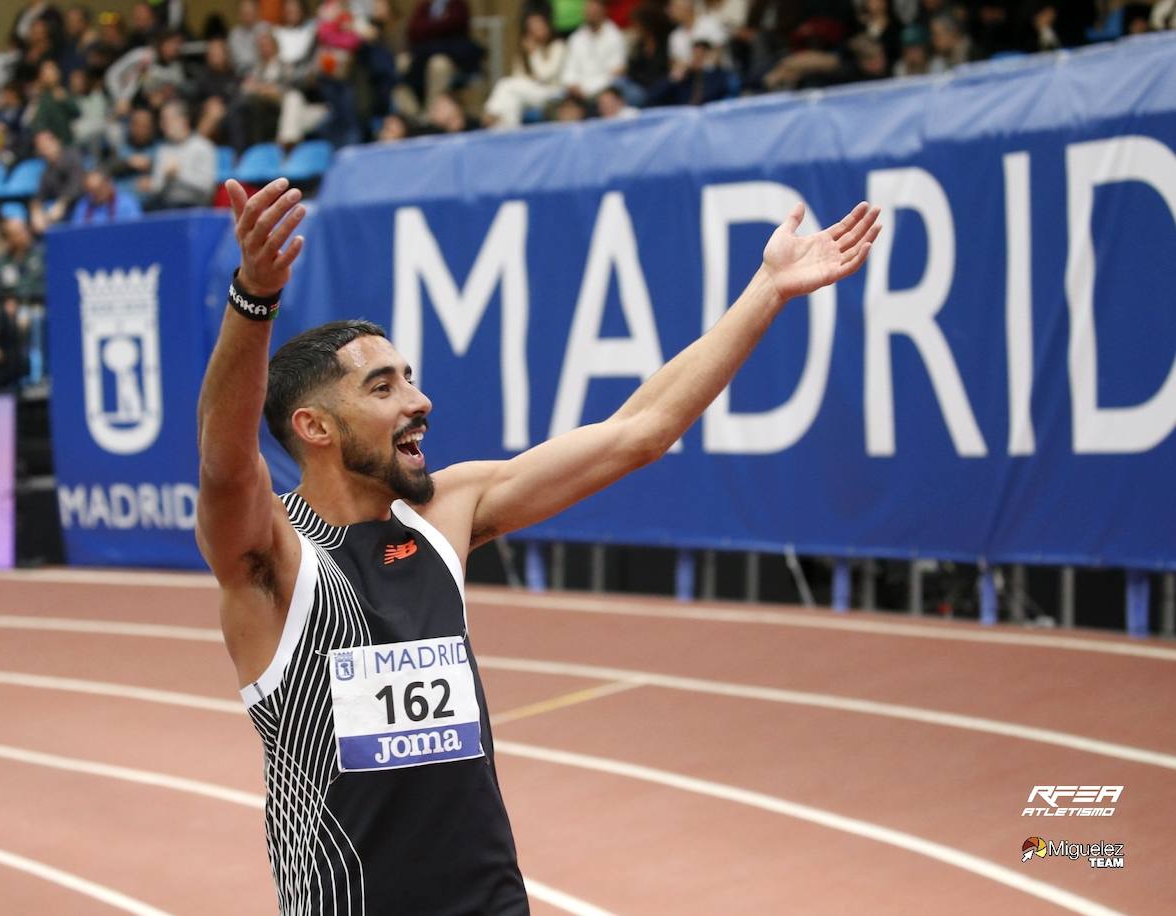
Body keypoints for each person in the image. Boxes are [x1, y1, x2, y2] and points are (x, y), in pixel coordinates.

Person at [196, 177, 880, 913]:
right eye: (383, 387)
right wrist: (254, 298)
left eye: (411, 379)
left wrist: (769, 290)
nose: (419, 401)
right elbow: (224, 463)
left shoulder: (446, 512)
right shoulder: (272, 559)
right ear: (315, 428)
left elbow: (637, 433)